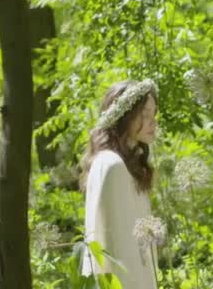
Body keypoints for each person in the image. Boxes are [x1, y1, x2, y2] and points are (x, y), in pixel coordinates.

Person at [79, 79, 159, 288]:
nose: (153, 122)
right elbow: (111, 247)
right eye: (145, 115)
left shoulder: (126, 164)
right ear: (125, 116)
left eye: (153, 114)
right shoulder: (112, 165)